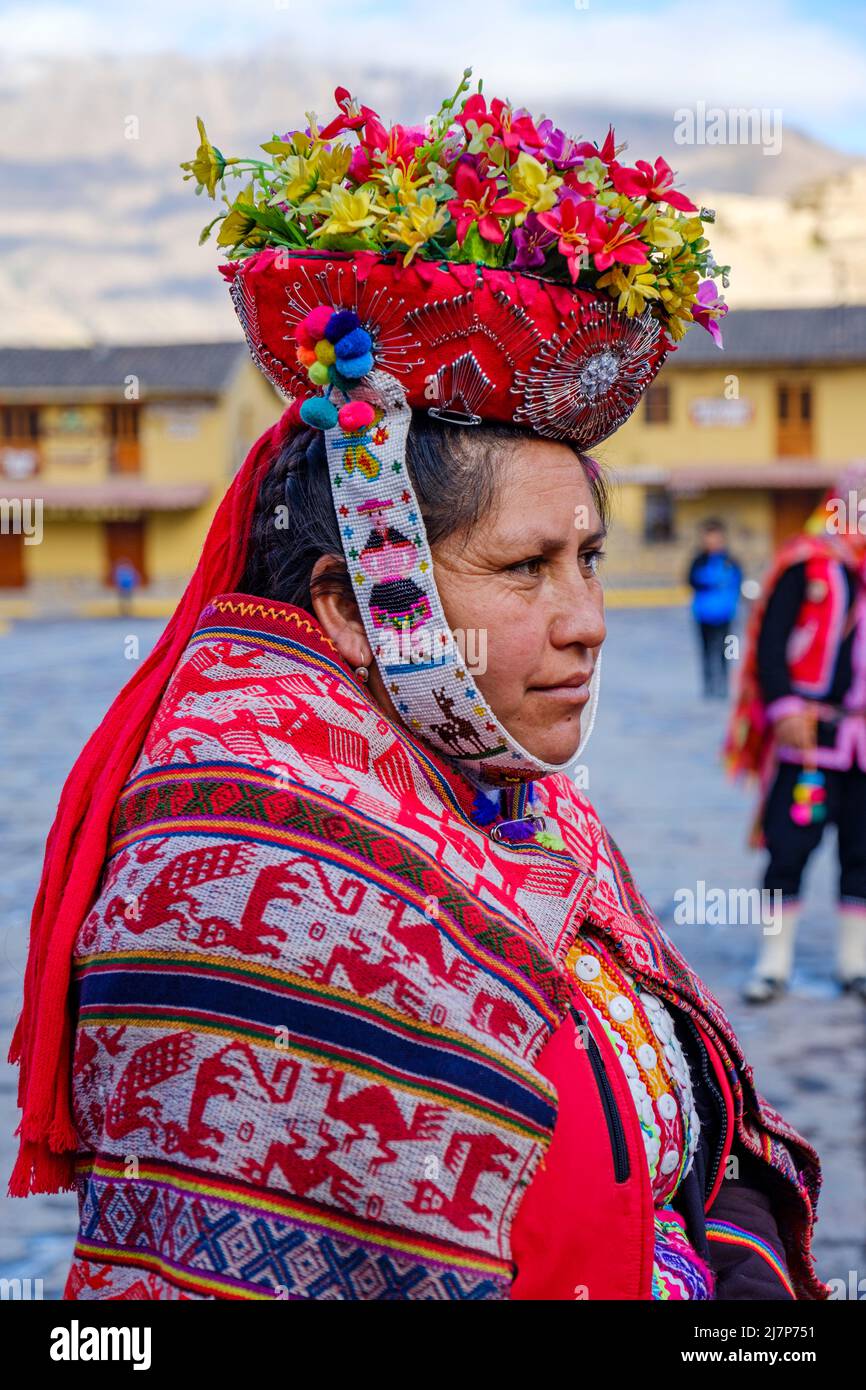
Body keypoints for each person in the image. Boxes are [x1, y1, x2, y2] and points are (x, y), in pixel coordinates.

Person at [8, 78, 827, 1301]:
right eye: (524, 568)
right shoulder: (241, 856)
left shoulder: (523, 804)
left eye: (590, 560)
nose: (587, 621)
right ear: (352, 602)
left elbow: (701, 1149)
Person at [725, 474, 866, 1005]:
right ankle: (774, 964)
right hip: (808, 736)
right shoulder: (805, 562)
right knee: (789, 845)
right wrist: (784, 707)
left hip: (862, 739)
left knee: (862, 850)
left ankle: (856, 964)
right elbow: (770, 644)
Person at [687, 518, 742, 698]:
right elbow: (691, 581)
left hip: (726, 614)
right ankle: (709, 685)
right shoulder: (698, 561)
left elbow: (739, 582)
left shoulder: (731, 561)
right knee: (706, 650)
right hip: (703, 614)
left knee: (727, 651)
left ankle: (725, 685)